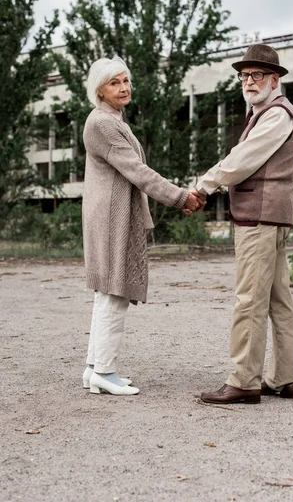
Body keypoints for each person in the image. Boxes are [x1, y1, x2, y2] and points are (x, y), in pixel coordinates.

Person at [82, 56, 201, 396]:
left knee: (107, 293)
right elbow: (137, 171)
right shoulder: (103, 124)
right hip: (110, 218)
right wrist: (181, 197)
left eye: (126, 81)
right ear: (100, 90)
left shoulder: (112, 120)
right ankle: (104, 370)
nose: (124, 88)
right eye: (114, 83)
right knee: (114, 292)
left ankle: (94, 369)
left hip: (110, 214)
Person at [194, 44, 293, 404]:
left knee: (249, 301)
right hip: (272, 215)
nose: (249, 81)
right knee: (276, 300)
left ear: (274, 79)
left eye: (257, 75)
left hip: (260, 217)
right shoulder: (269, 113)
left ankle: (244, 381)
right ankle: (284, 378)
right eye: (244, 75)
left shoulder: (276, 114)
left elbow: (242, 160)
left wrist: (204, 184)